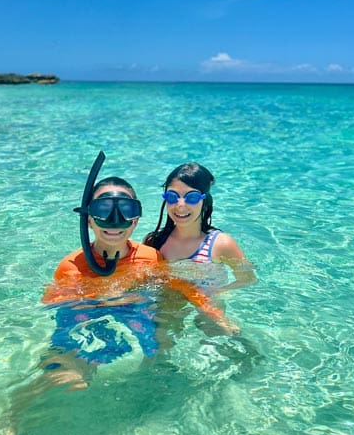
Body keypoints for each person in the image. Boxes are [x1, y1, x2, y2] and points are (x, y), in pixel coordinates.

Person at [38, 154, 236, 391]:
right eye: (103, 211)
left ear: (135, 220)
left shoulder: (150, 255)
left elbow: (179, 284)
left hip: (132, 307)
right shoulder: (71, 266)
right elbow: (56, 309)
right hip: (87, 310)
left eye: (125, 211)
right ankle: (16, 411)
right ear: (89, 219)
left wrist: (212, 311)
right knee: (68, 370)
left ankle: (148, 389)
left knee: (161, 346)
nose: (114, 221)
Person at [144, 162, 257, 293]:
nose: (180, 205)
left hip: (207, 310)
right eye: (172, 196)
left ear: (204, 200)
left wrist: (217, 293)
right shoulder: (155, 241)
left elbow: (248, 279)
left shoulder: (221, 244)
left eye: (192, 197)